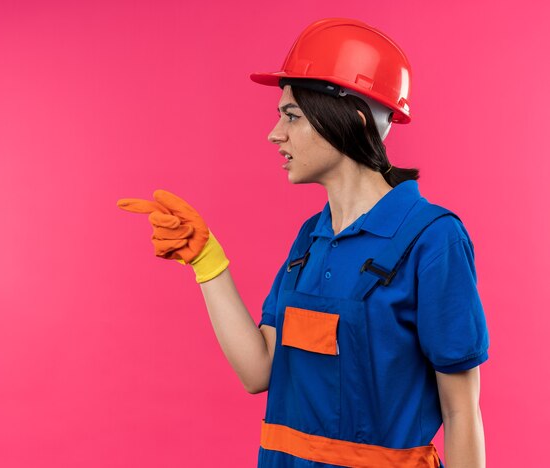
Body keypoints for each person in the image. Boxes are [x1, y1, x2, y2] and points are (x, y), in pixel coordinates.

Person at [117, 17, 489, 468]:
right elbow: (259, 372)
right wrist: (207, 261)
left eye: (290, 115)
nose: (275, 134)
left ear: (349, 119)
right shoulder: (311, 239)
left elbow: (460, 411)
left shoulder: (433, 239)